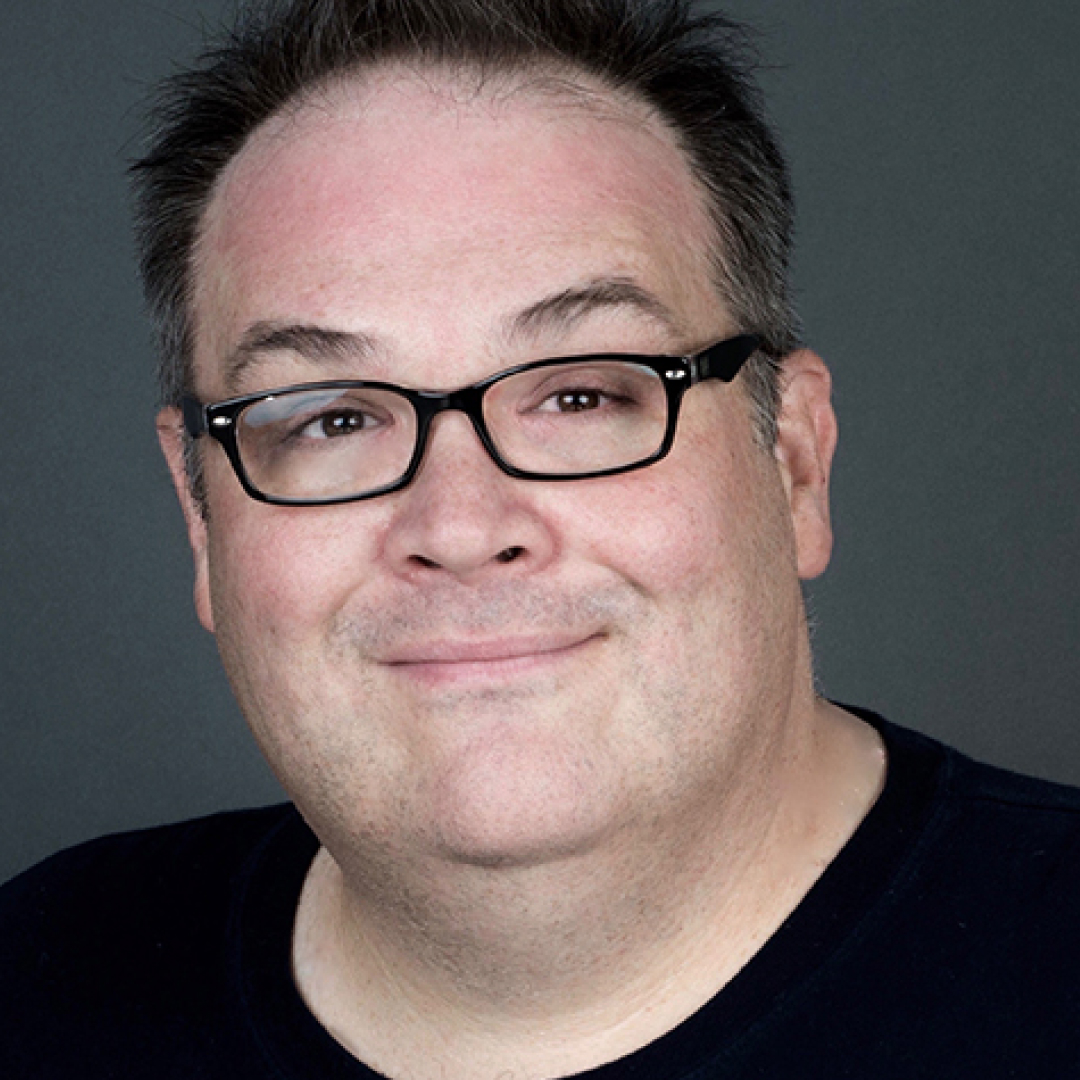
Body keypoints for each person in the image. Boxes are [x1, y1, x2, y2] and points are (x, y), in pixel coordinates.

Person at [1, 0, 1077, 1075]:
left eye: (581, 397)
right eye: (332, 418)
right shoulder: (38, 985)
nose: (461, 527)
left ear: (794, 462)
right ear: (201, 516)